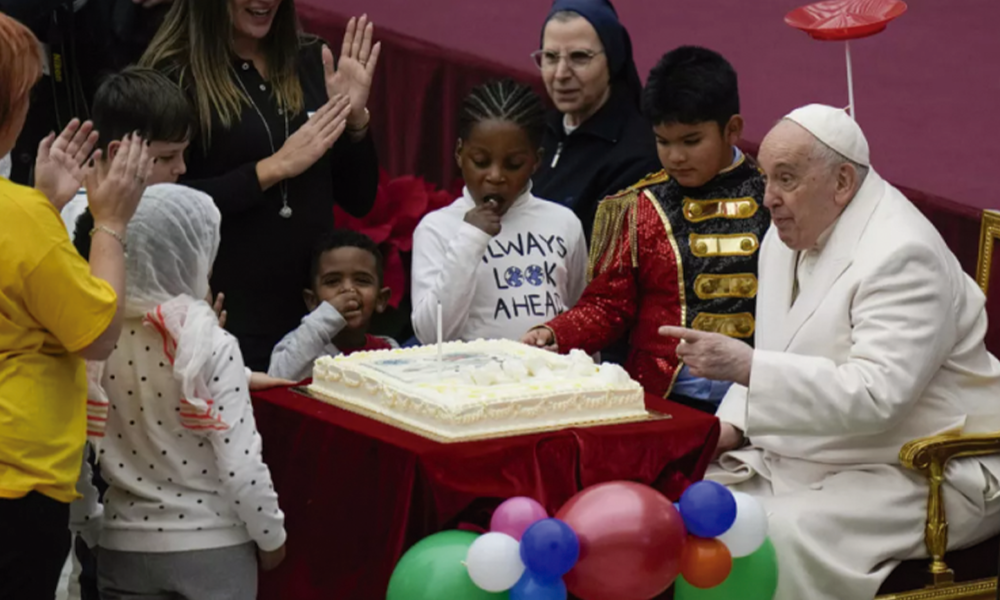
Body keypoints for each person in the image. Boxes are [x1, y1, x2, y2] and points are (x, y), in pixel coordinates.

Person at [659, 104, 1000, 599]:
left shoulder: (903, 255)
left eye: (787, 179)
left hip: (925, 467)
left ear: (842, 182)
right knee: (688, 507)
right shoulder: (787, 235)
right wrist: (728, 427)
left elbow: (877, 395)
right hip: (816, 453)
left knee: (771, 538)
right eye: (766, 178)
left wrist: (747, 369)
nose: (768, 198)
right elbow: (778, 348)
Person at [523, 47, 769, 413]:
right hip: (660, 399)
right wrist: (556, 332)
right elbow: (608, 306)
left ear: (732, 129)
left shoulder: (773, 201)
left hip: (757, 401)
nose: (675, 157)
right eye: (663, 141)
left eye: (691, 141)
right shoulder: (636, 207)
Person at [0, 12, 152, 598]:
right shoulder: (20, 220)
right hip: (15, 481)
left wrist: (42, 206)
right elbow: (97, 331)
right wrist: (109, 224)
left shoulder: (24, 216)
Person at [142, 1, 381, 371]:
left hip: (315, 322)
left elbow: (359, 198)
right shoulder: (174, 73)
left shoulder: (310, 59)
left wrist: (355, 122)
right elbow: (161, 207)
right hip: (230, 321)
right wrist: (270, 170)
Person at [77, 184, 287, 599]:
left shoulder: (96, 341)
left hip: (124, 545)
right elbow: (240, 467)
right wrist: (271, 537)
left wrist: (89, 522)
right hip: (214, 548)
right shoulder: (208, 341)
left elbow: (74, 453)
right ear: (192, 255)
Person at [411, 79, 588, 344]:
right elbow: (431, 335)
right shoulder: (437, 228)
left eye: (513, 164)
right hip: (470, 381)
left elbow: (580, 319)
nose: (495, 176)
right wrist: (469, 240)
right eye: (480, 162)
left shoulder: (564, 223)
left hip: (549, 381)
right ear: (459, 153)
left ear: (536, 160)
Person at [531, 0, 661, 240]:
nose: (560, 74)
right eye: (550, 57)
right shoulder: (532, 132)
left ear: (613, 61)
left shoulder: (639, 158)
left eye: (579, 57)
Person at [63, 66, 195, 241]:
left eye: (183, 154)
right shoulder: (67, 217)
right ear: (119, 153)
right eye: (167, 157)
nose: (181, 168)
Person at [269, 229, 397, 381]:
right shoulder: (302, 350)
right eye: (332, 281)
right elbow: (277, 378)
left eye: (362, 281)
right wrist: (326, 316)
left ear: (381, 299)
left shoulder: (389, 351)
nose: (348, 289)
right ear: (312, 300)